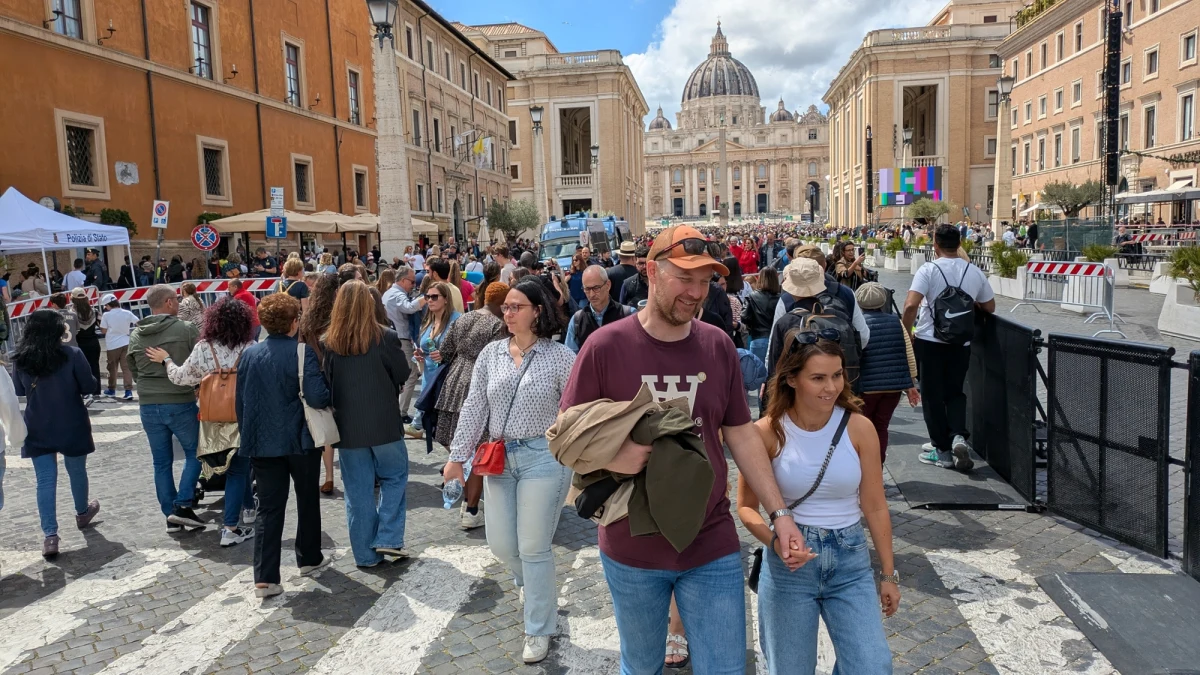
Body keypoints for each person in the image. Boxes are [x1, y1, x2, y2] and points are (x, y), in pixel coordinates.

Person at [555, 225, 805, 673]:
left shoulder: (717, 345)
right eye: (684, 278)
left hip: (710, 539)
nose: (695, 292)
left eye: (705, 280)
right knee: (642, 665)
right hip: (631, 543)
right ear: (651, 271)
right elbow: (565, 438)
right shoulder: (604, 347)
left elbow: (741, 434)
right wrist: (616, 457)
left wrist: (779, 513)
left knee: (726, 667)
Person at [737, 334, 897, 674]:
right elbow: (746, 507)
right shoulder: (765, 432)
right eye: (818, 378)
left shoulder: (859, 428)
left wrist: (888, 573)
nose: (832, 387)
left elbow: (875, 505)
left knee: (872, 666)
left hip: (850, 560)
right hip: (790, 568)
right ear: (792, 379)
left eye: (837, 375)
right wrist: (774, 543)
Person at [444, 279, 575, 664]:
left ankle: (539, 628)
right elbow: (474, 408)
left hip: (543, 458)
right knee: (501, 543)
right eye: (506, 307)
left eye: (517, 306)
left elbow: (575, 410)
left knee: (533, 546)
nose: (509, 312)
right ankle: (535, 587)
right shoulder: (491, 354)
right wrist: (457, 456)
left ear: (538, 311)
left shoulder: (560, 356)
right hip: (498, 459)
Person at [236, 293, 333, 597]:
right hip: (300, 440)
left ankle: (265, 577)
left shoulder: (250, 355)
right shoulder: (303, 353)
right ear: (294, 323)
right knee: (307, 499)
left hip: (262, 442)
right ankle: (309, 558)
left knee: (268, 508)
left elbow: (241, 402)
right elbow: (317, 397)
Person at [145, 297, 257, 546]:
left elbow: (180, 378)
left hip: (212, 416)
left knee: (220, 467)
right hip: (242, 414)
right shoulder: (250, 346)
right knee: (240, 468)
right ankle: (232, 526)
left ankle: (242, 511)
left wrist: (166, 360)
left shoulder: (205, 347)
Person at [322, 281, 412, 567]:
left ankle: (364, 555)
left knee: (358, 491)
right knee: (394, 477)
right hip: (384, 423)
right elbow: (403, 372)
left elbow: (328, 384)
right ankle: (387, 536)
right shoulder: (385, 337)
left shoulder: (329, 342)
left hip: (348, 428)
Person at [902, 224, 996, 471]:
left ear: (935, 243)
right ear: (960, 243)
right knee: (955, 391)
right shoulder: (974, 271)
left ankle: (941, 450)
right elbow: (990, 307)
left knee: (932, 396)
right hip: (960, 342)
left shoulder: (929, 269)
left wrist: (906, 332)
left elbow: (911, 305)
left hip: (929, 341)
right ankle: (957, 436)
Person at [11, 310, 100, 558]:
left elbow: (19, 389)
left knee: (45, 481)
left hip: (37, 423)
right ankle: (82, 512)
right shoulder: (72, 354)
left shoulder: (21, 358)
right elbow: (88, 385)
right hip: (71, 421)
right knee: (76, 470)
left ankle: (50, 536)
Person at [127, 285, 206, 531]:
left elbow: (134, 370)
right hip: (179, 399)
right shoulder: (186, 329)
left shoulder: (137, 335)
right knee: (196, 452)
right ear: (170, 302)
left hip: (148, 403)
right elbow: (200, 360)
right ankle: (182, 503)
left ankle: (169, 514)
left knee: (161, 462)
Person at [434, 281, 507, 530]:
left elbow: (444, 351)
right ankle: (471, 507)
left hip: (454, 381)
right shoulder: (499, 325)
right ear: (500, 303)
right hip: (479, 382)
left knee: (457, 442)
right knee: (477, 451)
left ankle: (467, 495)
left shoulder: (464, 318)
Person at [855, 282, 919, 464]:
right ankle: (878, 467)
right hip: (893, 388)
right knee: (881, 427)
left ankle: (862, 468)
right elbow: (908, 354)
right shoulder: (895, 322)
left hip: (866, 387)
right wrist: (911, 385)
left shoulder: (857, 324)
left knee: (862, 428)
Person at [299, 273, 341, 495]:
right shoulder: (339, 316)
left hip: (317, 374)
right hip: (339, 373)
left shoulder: (309, 318)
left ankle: (328, 476)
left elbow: (301, 346)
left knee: (325, 425)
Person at [382, 265, 428, 431]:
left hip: (396, 337)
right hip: (401, 338)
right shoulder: (397, 294)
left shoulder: (389, 293)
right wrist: (426, 298)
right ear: (402, 280)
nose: (413, 285)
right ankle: (401, 411)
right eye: (411, 281)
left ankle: (398, 409)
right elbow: (408, 308)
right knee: (411, 375)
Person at [564, 265, 633, 353]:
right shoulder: (577, 321)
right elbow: (572, 359)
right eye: (587, 289)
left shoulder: (628, 315)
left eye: (596, 288)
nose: (592, 294)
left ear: (608, 285)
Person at [98, 294, 138, 399]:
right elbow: (138, 322)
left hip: (112, 345)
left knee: (112, 368)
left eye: (105, 306)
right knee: (126, 368)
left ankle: (111, 389)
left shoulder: (106, 315)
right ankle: (128, 391)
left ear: (108, 305)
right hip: (126, 342)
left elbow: (103, 330)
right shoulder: (127, 313)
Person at [744, 266, 781, 367]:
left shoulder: (752, 296)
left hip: (758, 337)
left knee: (756, 374)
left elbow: (744, 317)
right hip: (775, 339)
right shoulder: (781, 298)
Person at [69, 289, 102, 401]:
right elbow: (102, 326)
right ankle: (96, 391)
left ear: (72, 299)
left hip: (79, 344)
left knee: (81, 369)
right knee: (95, 366)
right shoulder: (95, 311)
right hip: (93, 342)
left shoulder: (72, 313)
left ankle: (85, 392)